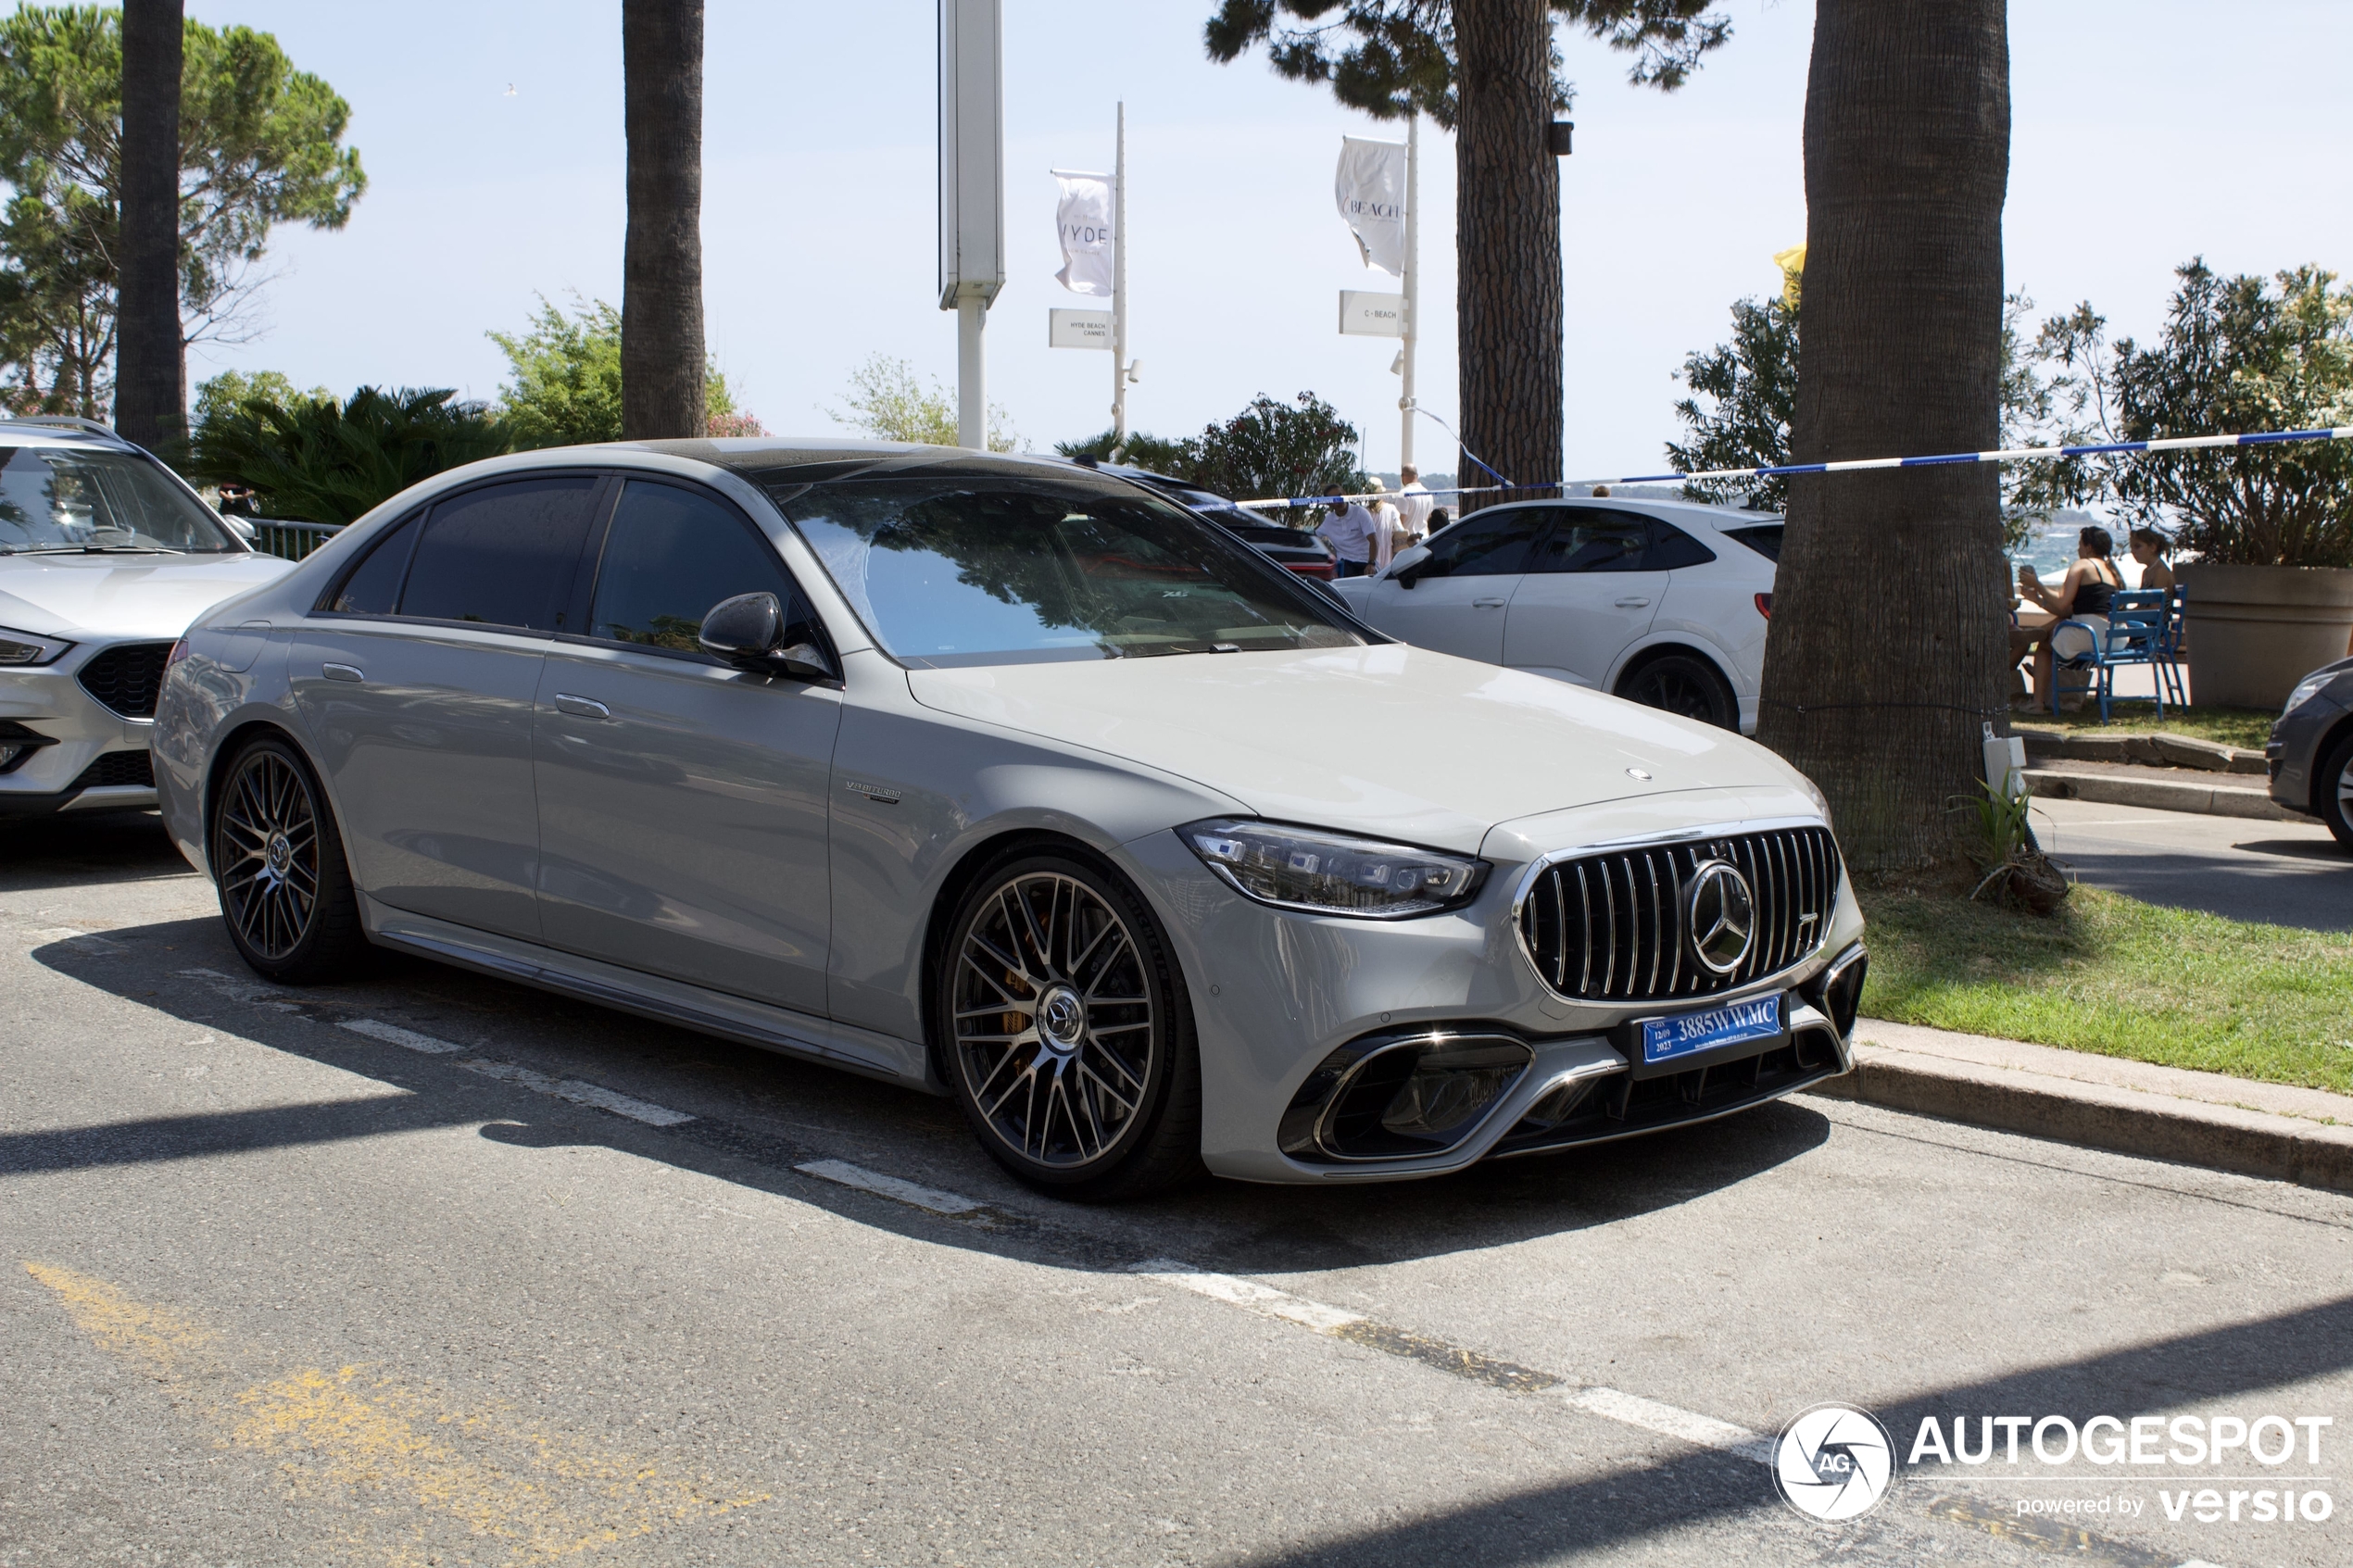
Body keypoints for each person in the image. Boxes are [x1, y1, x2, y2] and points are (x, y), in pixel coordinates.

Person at [2010, 524, 2123, 709]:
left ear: (2088, 547)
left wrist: (2036, 584)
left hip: (2092, 634)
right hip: (2116, 636)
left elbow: (2062, 602)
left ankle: (2037, 703)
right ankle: (2041, 657)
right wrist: (2038, 600)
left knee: (2045, 646)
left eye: (2080, 544)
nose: (2077, 549)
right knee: (2063, 625)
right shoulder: (2112, 570)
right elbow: (2069, 610)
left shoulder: (2082, 565)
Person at [1316, 490, 1377, 578]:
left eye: (1340, 495)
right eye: (1334, 499)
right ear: (1329, 504)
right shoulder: (1329, 520)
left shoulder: (1360, 512)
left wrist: (1371, 563)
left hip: (1365, 563)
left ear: (1345, 494)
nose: (1339, 500)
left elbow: (1373, 540)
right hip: (1344, 565)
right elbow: (1315, 536)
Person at [1366, 477, 1408, 573]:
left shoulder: (1363, 512)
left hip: (1368, 557)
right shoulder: (1391, 509)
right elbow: (1400, 530)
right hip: (1387, 556)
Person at [2128, 526, 2177, 595]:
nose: (2132, 551)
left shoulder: (2161, 571)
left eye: (2137, 547)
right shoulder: (2146, 571)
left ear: (2152, 548)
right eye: (2131, 547)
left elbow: (2156, 604)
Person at [1394, 463, 1435, 546]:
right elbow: (1429, 518)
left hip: (1409, 541)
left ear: (1403, 476)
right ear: (1417, 476)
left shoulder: (1404, 494)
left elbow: (1400, 522)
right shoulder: (1428, 494)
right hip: (1425, 539)